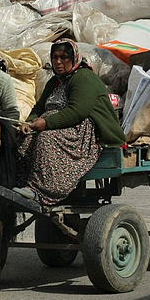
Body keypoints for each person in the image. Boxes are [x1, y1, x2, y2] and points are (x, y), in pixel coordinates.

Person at [14, 39, 124, 205]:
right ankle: (21, 184)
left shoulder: (84, 78)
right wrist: (28, 122)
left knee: (46, 140)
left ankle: (43, 191)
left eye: (64, 57)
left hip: (82, 133)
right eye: (55, 57)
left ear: (74, 58)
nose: (58, 62)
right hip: (56, 125)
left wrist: (45, 123)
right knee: (24, 138)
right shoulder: (54, 81)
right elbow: (39, 107)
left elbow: (77, 111)